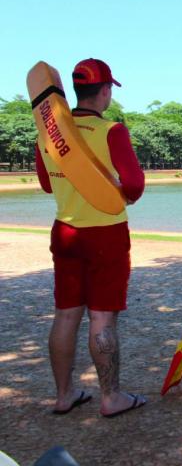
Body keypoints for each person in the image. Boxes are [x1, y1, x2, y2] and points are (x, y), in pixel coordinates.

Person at [34, 58, 147, 417]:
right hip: (106, 232)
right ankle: (110, 397)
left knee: (66, 315)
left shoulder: (48, 133)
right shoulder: (112, 131)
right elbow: (134, 186)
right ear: (105, 91)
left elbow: (46, 183)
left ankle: (64, 395)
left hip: (65, 229)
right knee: (102, 317)